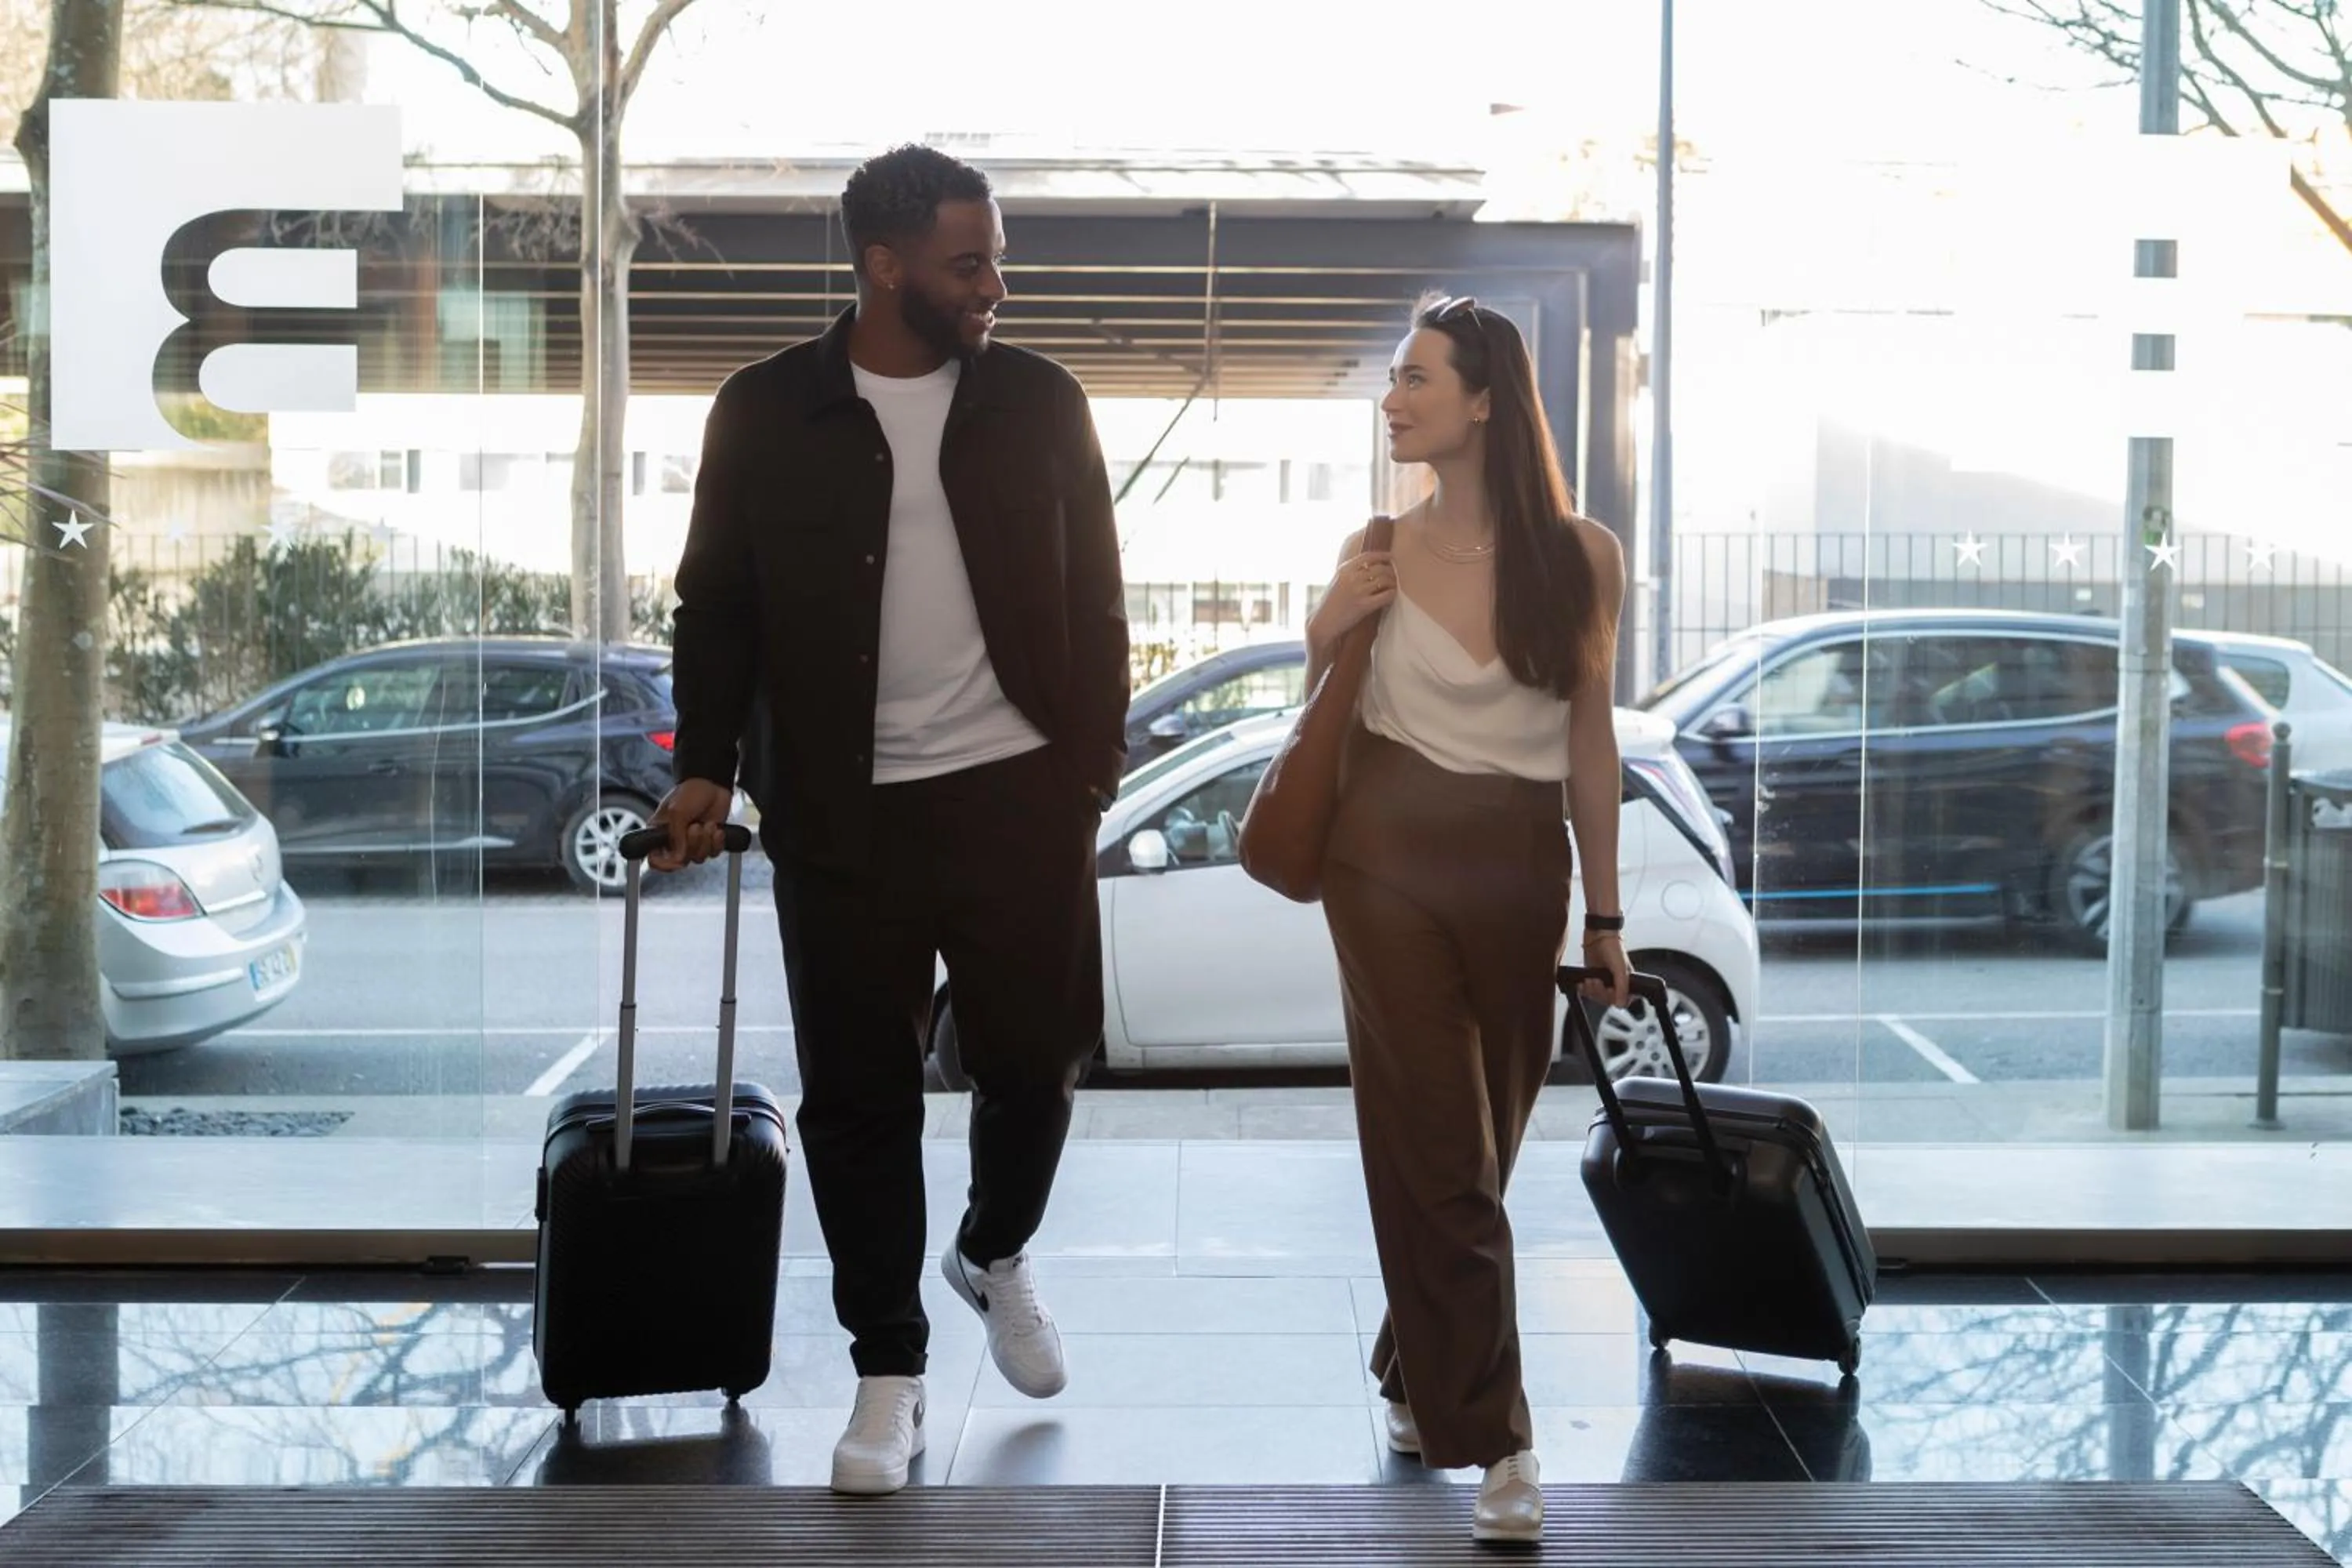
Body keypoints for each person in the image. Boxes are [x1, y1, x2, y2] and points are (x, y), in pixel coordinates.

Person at [648, 144, 1129, 1497]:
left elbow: (1098, 592)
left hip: (1018, 795)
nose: (995, 284)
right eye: (970, 263)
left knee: (1037, 1061)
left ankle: (992, 1250)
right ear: (885, 265)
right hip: (843, 812)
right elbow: (716, 605)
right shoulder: (762, 410)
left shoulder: (1040, 402)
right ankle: (890, 1371)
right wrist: (707, 765)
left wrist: (1086, 765)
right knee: (859, 1103)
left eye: (995, 258)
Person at [1312, 295, 1632, 1544]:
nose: (1395, 399)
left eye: (1418, 379)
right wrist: (1328, 622)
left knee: (1480, 1155)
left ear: (1487, 398)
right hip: (1382, 860)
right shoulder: (1380, 541)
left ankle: (1413, 1362)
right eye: (1394, 379)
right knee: (1443, 1155)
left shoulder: (1585, 557)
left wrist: (1604, 916)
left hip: (1517, 874)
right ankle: (1501, 1441)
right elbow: (1325, 687)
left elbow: (1590, 748)